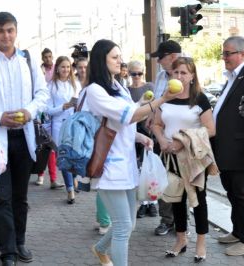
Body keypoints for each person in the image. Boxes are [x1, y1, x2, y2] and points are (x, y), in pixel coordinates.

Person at [83, 39, 181, 266]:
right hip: (109, 167)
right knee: (123, 226)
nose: (120, 61)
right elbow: (129, 116)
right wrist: (163, 98)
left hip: (125, 164)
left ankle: (100, 249)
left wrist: (140, 136)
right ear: (101, 60)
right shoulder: (95, 91)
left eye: (120, 56)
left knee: (130, 224)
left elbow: (120, 124)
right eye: (114, 57)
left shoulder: (117, 86)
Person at [0, 12, 50, 265]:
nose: (6, 35)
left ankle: (20, 242)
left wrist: (30, 111)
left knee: (20, 196)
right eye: (0, 30)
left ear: (16, 31)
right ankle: (8, 251)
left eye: (10, 30)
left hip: (23, 137)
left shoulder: (27, 59)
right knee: (1, 197)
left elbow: (42, 93)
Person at [152, 57, 215, 263]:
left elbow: (210, 129)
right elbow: (156, 124)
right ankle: (180, 240)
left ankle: (201, 244)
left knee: (199, 201)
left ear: (192, 76)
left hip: (194, 158)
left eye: (184, 73)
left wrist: (182, 140)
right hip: (169, 157)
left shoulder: (200, 99)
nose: (179, 76)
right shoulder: (166, 98)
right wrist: (161, 140)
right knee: (176, 199)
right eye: (176, 72)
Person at [211, 36, 244, 256]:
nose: (224, 57)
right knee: (232, 193)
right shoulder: (232, 76)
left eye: (228, 53)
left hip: (242, 148)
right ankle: (239, 230)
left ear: (242, 53)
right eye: (223, 53)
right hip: (227, 149)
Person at [149, 39, 182, 236]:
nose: (159, 62)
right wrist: (150, 116)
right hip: (160, 135)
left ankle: (181, 221)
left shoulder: (188, 73)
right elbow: (156, 103)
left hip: (179, 137)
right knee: (162, 179)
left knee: (180, 180)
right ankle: (166, 220)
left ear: (172, 57)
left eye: (161, 58)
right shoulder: (161, 76)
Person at [47, 56, 81, 204]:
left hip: (73, 124)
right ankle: (70, 190)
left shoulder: (75, 84)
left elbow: (82, 103)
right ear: (57, 68)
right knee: (64, 158)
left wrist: (77, 106)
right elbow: (48, 109)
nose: (65, 70)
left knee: (73, 156)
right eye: (62, 67)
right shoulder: (51, 86)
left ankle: (73, 179)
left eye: (68, 67)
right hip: (58, 125)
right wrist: (63, 107)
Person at [127, 60, 157, 218]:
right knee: (138, 168)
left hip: (148, 129)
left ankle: (152, 203)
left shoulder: (150, 87)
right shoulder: (126, 91)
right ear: (129, 74)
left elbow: (155, 107)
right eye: (134, 73)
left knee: (150, 167)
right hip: (133, 131)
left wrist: (149, 120)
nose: (137, 76)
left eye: (140, 73)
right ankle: (143, 204)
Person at [35, 47, 65, 189]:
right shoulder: (39, 70)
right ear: (42, 58)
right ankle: (41, 174)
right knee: (43, 144)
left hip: (55, 113)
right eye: (45, 57)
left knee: (53, 147)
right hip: (43, 110)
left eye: (50, 56)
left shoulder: (56, 70)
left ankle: (53, 178)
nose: (48, 59)